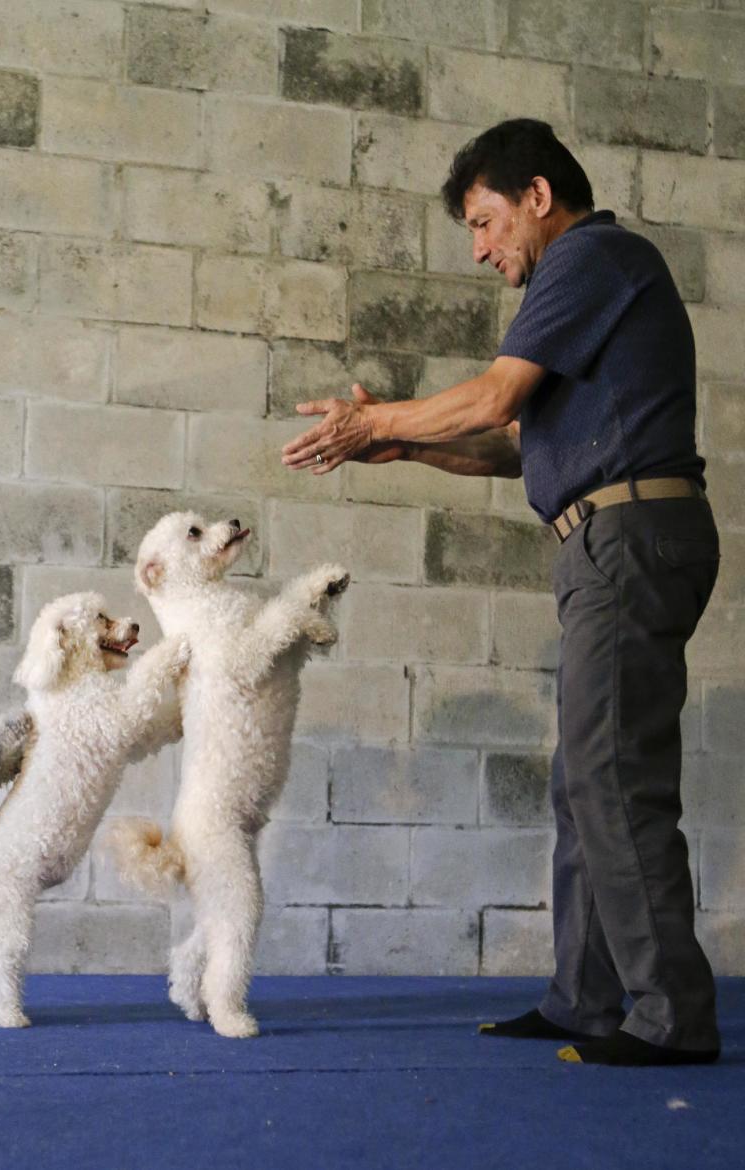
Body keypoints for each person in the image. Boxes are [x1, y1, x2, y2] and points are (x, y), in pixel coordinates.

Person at [282, 119, 721, 1067]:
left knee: (614, 779)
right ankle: (585, 1001)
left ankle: (671, 1016)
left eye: (484, 223)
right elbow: (512, 444)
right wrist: (398, 442)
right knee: (584, 781)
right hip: (610, 537)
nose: (481, 250)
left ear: (536, 196)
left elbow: (492, 398)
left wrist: (371, 418)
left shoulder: (592, 256)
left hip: (628, 536)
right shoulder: (593, 293)